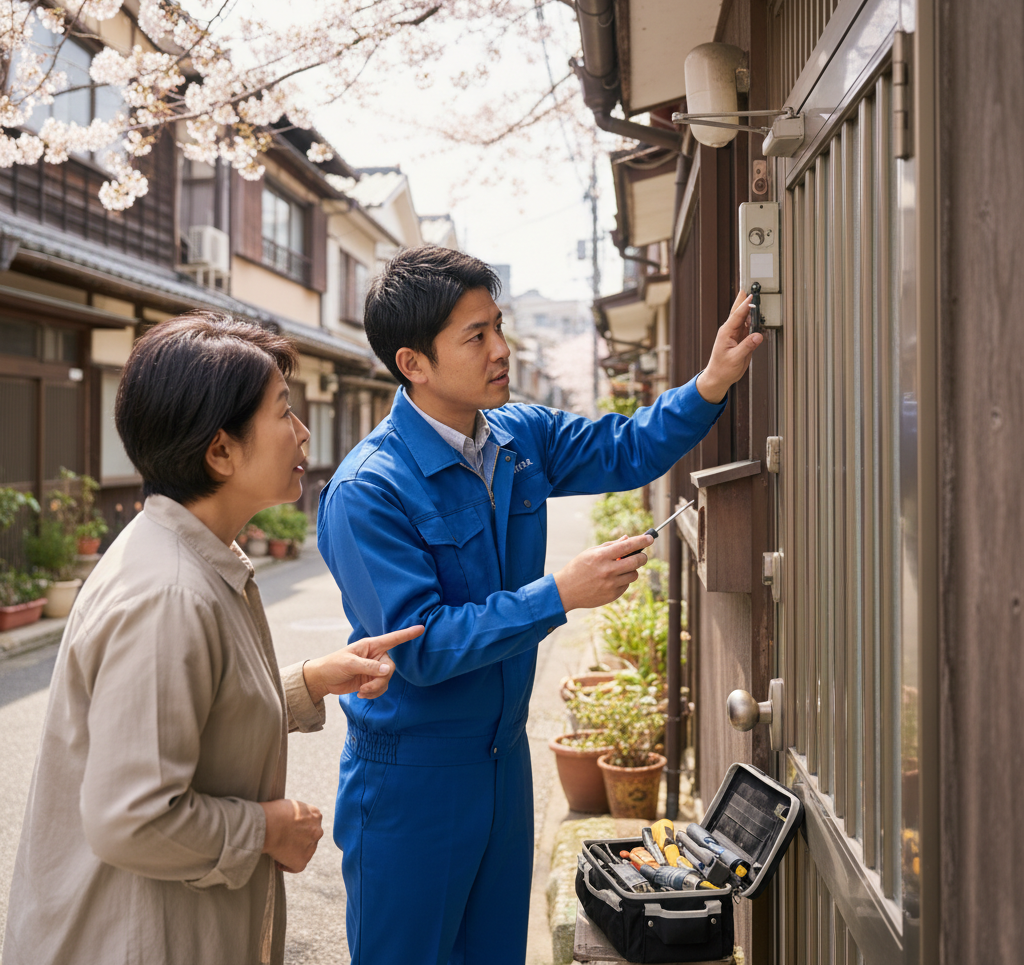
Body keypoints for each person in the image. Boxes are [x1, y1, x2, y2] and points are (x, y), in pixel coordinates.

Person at [316, 247, 762, 964]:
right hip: (412, 779)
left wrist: (711, 383)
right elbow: (420, 647)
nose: (502, 349)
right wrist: (559, 595)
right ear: (414, 363)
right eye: (476, 336)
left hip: (502, 760)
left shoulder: (517, 436)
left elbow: (627, 449)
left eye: (498, 326)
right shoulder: (370, 489)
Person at [1, 312, 422, 965]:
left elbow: (195, 714)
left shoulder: (189, 557)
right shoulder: (169, 593)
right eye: (284, 412)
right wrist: (270, 828)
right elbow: (132, 819)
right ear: (220, 451)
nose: (303, 433)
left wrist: (308, 681)